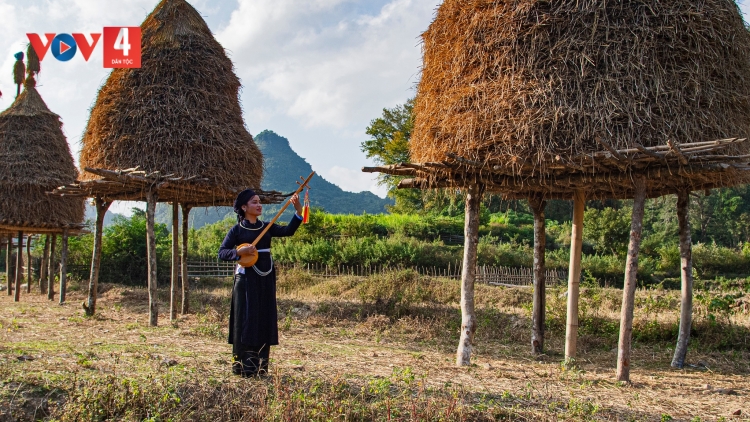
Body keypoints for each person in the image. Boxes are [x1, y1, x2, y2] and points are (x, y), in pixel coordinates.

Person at [218, 189, 304, 377]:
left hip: (266, 278)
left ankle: (260, 367)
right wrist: (239, 252)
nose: (259, 205)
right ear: (244, 207)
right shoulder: (237, 230)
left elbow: (288, 231)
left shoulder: (267, 226)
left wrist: (298, 210)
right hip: (246, 280)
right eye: (254, 202)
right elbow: (222, 252)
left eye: (259, 202)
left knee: (263, 317)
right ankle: (244, 366)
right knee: (247, 319)